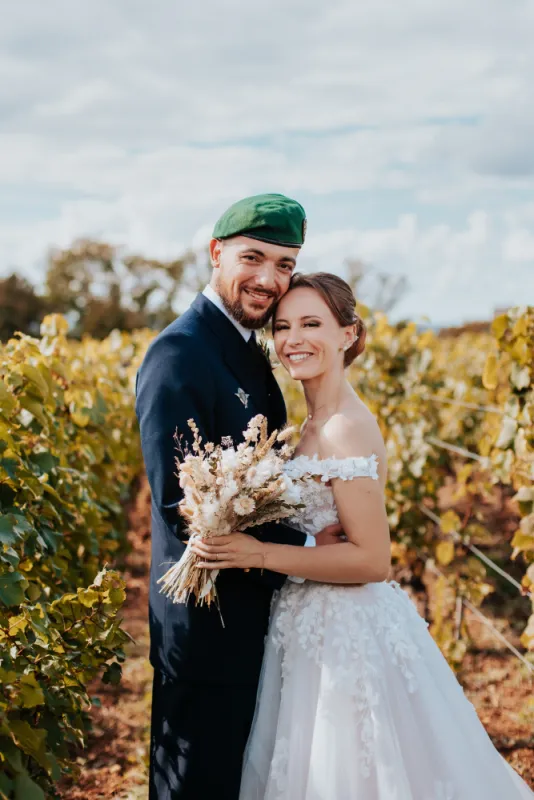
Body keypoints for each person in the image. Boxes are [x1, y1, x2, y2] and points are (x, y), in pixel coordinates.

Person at [192, 272, 534, 799]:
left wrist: (258, 552)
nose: (293, 339)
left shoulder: (343, 427)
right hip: (305, 622)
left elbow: (373, 560)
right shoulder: (306, 424)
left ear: (348, 335)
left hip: (346, 631)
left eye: (311, 323)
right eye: (283, 326)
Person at [135, 195, 342, 800]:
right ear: (216, 252)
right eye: (254, 258)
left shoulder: (246, 348)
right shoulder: (179, 354)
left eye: (285, 264)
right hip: (208, 623)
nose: (269, 280)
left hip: (253, 610)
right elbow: (185, 506)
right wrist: (307, 545)